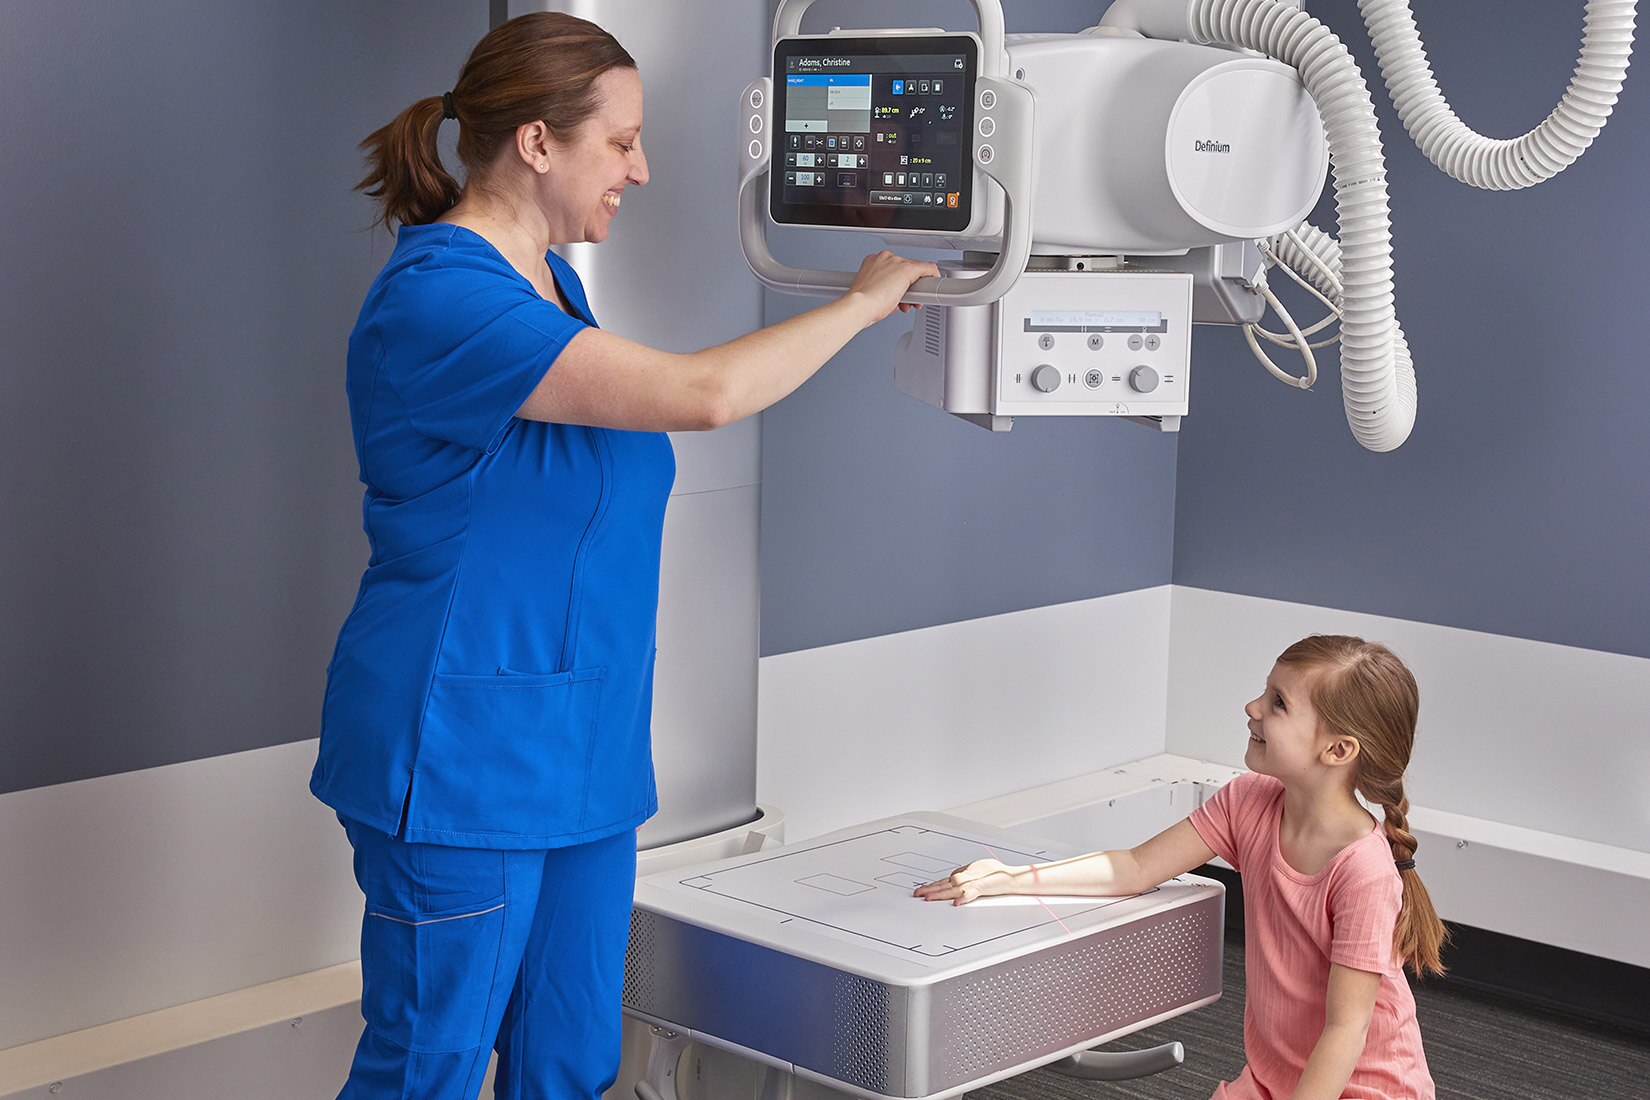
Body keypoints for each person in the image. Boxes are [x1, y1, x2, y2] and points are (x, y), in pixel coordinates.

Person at [309, 12, 937, 1099]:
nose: (640, 170)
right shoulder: (441, 299)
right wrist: (861, 303)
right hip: (461, 757)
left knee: (569, 1060)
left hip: (584, 750)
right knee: (428, 1066)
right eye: (622, 142)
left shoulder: (553, 282)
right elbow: (707, 393)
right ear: (537, 143)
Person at [917, 635, 1443, 1100]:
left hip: (1366, 1087)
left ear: (1338, 750)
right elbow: (1136, 867)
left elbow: (1346, 1031)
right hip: (1276, 1079)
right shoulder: (1249, 800)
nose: (1252, 707)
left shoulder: (1364, 872)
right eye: (1264, 692)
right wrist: (1009, 879)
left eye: (1278, 703)